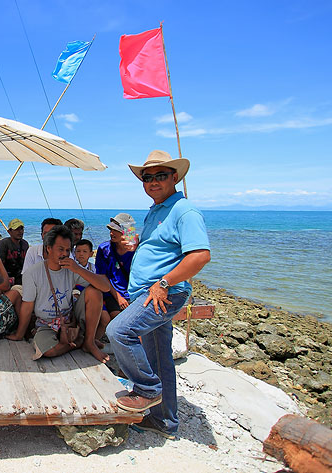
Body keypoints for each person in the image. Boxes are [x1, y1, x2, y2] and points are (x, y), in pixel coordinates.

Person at [107, 150, 211, 440]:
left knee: (118, 331)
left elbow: (200, 255)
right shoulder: (157, 209)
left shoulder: (184, 210)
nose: (152, 181)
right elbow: (167, 246)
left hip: (162, 293)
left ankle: (147, 390)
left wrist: (164, 282)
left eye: (160, 176)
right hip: (148, 291)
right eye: (147, 177)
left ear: (174, 177)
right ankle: (164, 422)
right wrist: (140, 243)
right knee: (159, 359)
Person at [7, 225, 111, 362]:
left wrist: (78, 269)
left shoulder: (71, 269)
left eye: (68, 250)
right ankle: (80, 342)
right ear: (49, 248)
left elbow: (105, 287)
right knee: (47, 352)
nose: (64, 254)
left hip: (70, 319)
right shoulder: (32, 273)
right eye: (60, 249)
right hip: (46, 324)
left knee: (95, 292)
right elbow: (27, 305)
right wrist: (19, 334)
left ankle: (89, 342)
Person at [95, 213, 136, 320]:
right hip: (112, 293)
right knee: (118, 320)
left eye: (116, 230)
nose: (111, 233)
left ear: (126, 232)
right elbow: (102, 276)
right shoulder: (104, 249)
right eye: (110, 229)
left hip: (134, 294)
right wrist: (118, 297)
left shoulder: (136, 250)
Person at [0, 218, 29, 285]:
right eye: (16, 229)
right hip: (7, 277)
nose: (20, 232)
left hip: (22, 277)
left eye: (21, 229)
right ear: (9, 232)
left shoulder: (25, 244)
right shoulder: (4, 244)